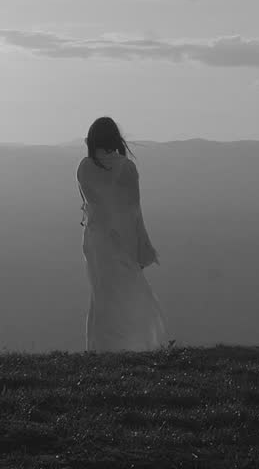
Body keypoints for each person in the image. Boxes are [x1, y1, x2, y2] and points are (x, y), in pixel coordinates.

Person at [77, 116, 167, 352]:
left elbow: (92, 204)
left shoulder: (84, 167)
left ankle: (100, 347)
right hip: (119, 239)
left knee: (102, 295)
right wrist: (142, 246)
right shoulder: (126, 168)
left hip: (95, 241)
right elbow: (134, 210)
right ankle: (134, 345)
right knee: (128, 292)